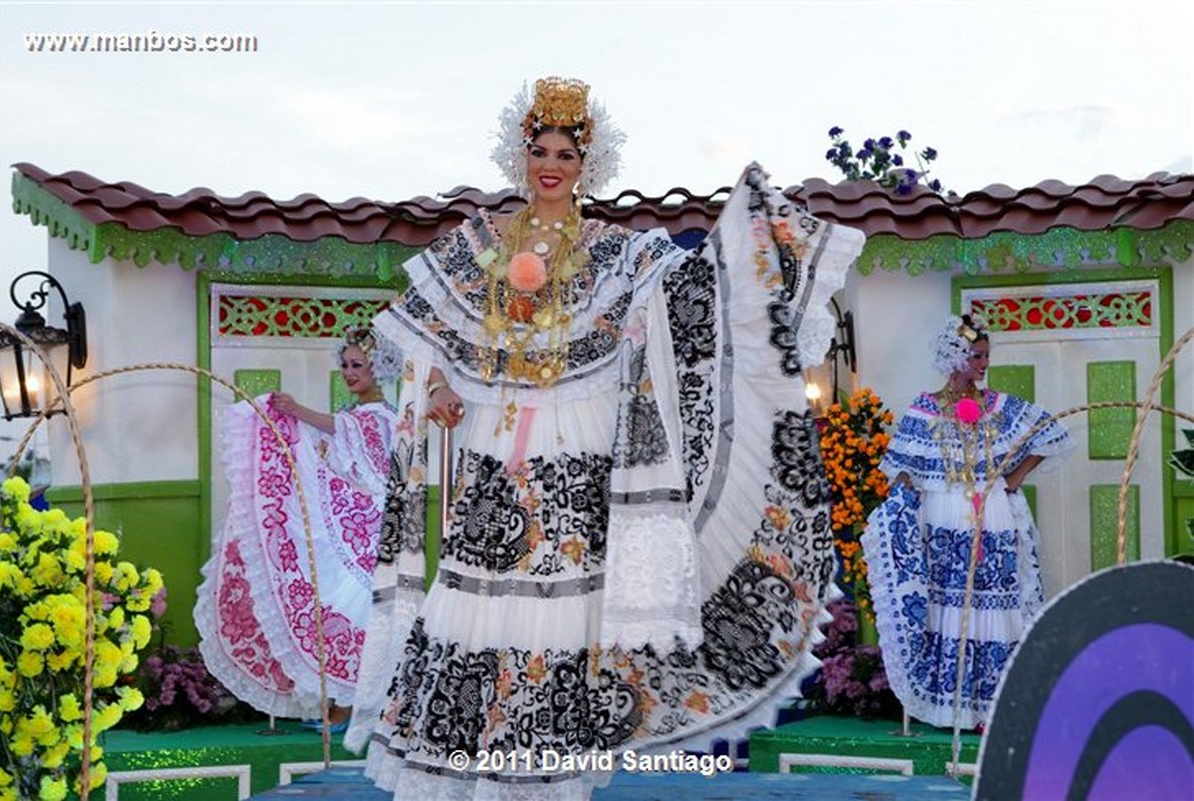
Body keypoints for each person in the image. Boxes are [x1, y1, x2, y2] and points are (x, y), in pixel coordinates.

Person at [349, 77, 867, 800]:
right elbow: (427, 341)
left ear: (587, 165)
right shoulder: (481, 244)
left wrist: (747, 249)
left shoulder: (617, 252)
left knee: (561, 619)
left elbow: (688, 303)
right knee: (477, 604)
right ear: (520, 157)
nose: (551, 163)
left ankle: (545, 783)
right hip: (496, 453)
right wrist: (438, 389)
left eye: (566, 151)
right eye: (541, 150)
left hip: (577, 457)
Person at [860, 314, 1072, 730]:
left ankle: (992, 707)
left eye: (986, 356)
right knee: (947, 606)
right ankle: (954, 707)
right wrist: (903, 504)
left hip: (989, 512)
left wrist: (1013, 479)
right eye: (976, 355)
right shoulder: (925, 408)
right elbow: (902, 469)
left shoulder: (997, 406)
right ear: (954, 357)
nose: (983, 364)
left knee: (991, 603)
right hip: (942, 517)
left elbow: (1051, 432)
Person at [195, 326, 402, 728]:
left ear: (379, 368)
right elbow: (340, 452)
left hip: (368, 528)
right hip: (359, 524)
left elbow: (356, 450)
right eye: (344, 365)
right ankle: (346, 700)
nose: (349, 372)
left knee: (356, 607)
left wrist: (295, 411)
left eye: (357, 365)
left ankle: (352, 703)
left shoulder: (380, 417)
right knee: (345, 607)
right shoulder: (357, 414)